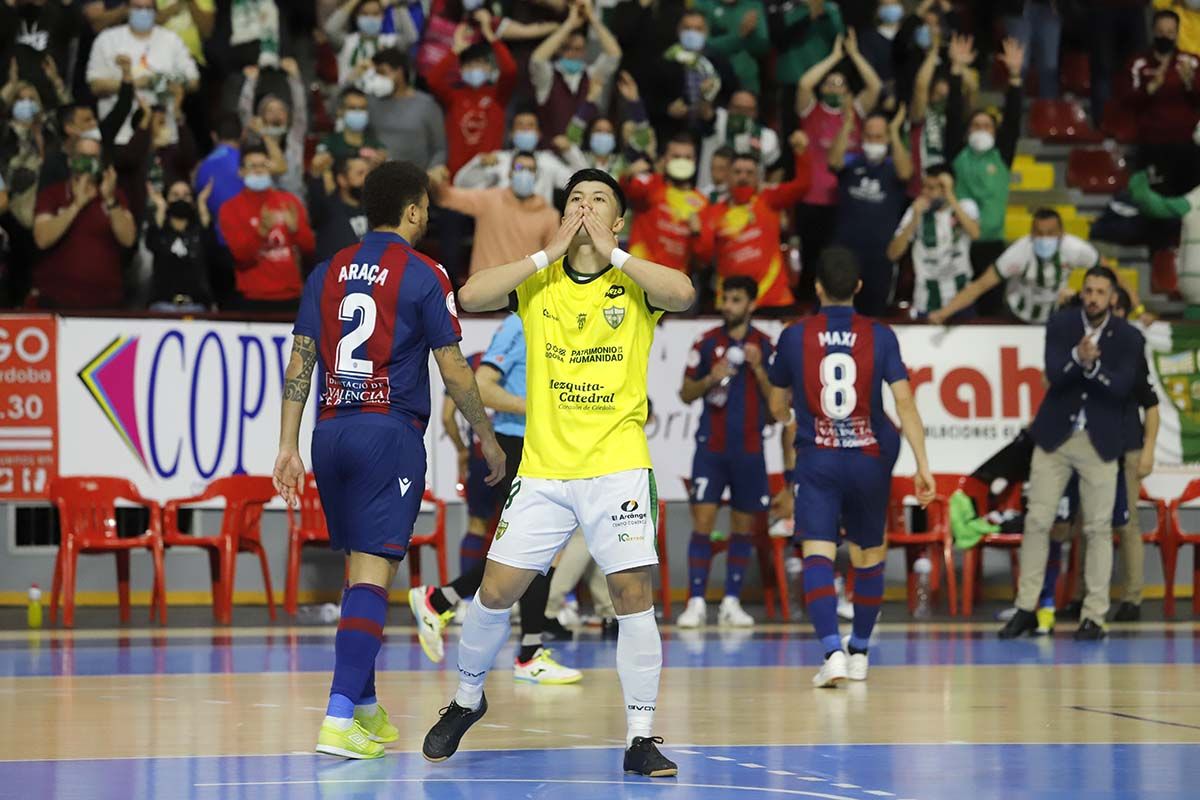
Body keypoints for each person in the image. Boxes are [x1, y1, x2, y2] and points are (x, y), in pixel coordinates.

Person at [420, 168, 695, 776]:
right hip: (545, 469)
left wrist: (615, 252)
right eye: (575, 200)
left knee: (631, 595)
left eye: (599, 201)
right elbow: (469, 295)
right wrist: (548, 249)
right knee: (495, 591)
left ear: (618, 220)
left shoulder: (634, 282)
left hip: (617, 466)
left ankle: (641, 737)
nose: (586, 208)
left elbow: (683, 293)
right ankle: (467, 700)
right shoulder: (540, 280)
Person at [272, 159, 504, 760]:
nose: (429, 215)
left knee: (359, 573)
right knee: (375, 577)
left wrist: (286, 445)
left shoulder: (327, 270)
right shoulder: (425, 272)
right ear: (410, 210)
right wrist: (485, 434)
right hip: (388, 435)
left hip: (330, 435)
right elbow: (453, 366)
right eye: (425, 206)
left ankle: (367, 707)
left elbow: (301, 361)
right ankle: (338, 717)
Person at [768, 246, 935, 687]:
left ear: (817, 286)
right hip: (869, 457)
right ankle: (860, 650)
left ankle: (832, 652)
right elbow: (905, 403)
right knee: (869, 554)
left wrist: (788, 408)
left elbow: (777, 406)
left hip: (819, 458)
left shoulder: (793, 336)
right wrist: (923, 465)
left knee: (818, 552)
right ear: (859, 287)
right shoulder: (880, 335)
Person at [411, 313, 583, 684]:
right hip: (516, 444)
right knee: (536, 550)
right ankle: (527, 654)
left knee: (537, 551)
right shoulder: (520, 324)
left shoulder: (567, 322)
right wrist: (540, 409)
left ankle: (442, 600)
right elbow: (482, 387)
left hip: (547, 445)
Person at [997, 267, 1142, 641]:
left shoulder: (1128, 336)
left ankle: (1094, 615)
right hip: (1055, 437)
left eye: (1100, 292)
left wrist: (1092, 367)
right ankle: (1026, 608)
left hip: (1101, 441)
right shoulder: (1061, 324)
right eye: (1088, 290)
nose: (1093, 297)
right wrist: (1078, 358)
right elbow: (1054, 374)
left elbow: (1122, 386)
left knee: (1097, 528)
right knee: (1037, 521)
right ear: (1082, 293)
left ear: (1113, 297)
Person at [676, 275, 775, 628]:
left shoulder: (764, 345)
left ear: (750, 304)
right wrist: (710, 379)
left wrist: (759, 367)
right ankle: (696, 602)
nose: (727, 306)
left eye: (735, 300)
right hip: (711, 449)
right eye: (725, 299)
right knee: (702, 524)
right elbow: (685, 394)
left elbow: (779, 406)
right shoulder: (705, 343)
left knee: (742, 527)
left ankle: (731, 602)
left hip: (749, 450)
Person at [794, 31, 883, 301]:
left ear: (847, 91)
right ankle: (809, 310)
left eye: (839, 84)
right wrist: (833, 58)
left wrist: (854, 55)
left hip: (845, 201)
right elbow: (803, 83)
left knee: (839, 261)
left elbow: (875, 86)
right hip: (811, 199)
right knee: (811, 261)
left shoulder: (855, 113)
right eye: (829, 84)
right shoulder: (811, 110)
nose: (834, 88)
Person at [945, 35, 1025, 314]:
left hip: (993, 246)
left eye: (988, 126)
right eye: (976, 125)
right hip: (959, 245)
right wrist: (955, 71)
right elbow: (953, 115)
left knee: (992, 309)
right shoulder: (958, 154)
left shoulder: (1001, 156)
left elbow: (1013, 119)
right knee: (958, 307)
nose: (981, 130)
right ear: (968, 132)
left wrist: (1014, 76)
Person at [928, 208, 1107, 325]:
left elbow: (1108, 274)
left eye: (1050, 233)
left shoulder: (1075, 249)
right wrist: (944, 313)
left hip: (1056, 318)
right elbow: (980, 285)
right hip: (1018, 317)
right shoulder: (1019, 253)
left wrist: (1135, 306)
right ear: (1031, 233)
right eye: (1039, 233)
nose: (1044, 238)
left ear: (1061, 233)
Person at [695, 134, 813, 308]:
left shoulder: (769, 200)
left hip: (773, 299)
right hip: (731, 304)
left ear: (758, 177)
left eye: (749, 173)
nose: (743, 177)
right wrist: (696, 232)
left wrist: (801, 153)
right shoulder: (712, 212)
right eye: (737, 172)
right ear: (727, 176)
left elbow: (803, 186)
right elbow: (703, 257)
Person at [31, 135, 137, 310]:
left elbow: (128, 239)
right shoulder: (52, 194)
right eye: (82, 156)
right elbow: (42, 239)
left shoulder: (116, 196)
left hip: (106, 303)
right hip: (57, 303)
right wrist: (76, 205)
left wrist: (110, 200)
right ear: (71, 160)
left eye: (93, 157)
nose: (88, 162)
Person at [829, 105, 912, 316]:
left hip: (880, 256)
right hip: (846, 253)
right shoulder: (851, 162)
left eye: (879, 136)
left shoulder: (894, 167)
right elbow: (833, 161)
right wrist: (847, 126)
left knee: (874, 314)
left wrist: (894, 133)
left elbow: (907, 172)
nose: (873, 141)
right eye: (869, 136)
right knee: (837, 309)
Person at [85, 0, 199, 146]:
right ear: (127, 8)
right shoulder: (107, 40)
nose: (143, 12)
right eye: (138, 7)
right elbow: (95, 85)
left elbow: (193, 81)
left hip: (163, 137)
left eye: (148, 8)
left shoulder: (171, 40)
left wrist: (167, 83)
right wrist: (136, 83)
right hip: (121, 136)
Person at [428, 152, 560, 276]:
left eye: (530, 170)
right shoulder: (489, 199)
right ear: (509, 173)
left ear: (536, 176)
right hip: (484, 290)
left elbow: (554, 259)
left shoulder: (549, 215)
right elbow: (446, 197)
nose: (525, 173)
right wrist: (436, 180)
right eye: (519, 167)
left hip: (524, 291)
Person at [218, 146, 315, 312]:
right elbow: (241, 257)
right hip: (254, 298)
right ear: (241, 172)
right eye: (252, 166)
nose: (258, 170)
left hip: (291, 296)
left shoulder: (289, 201)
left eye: (263, 165)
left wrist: (295, 230)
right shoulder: (230, 209)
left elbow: (309, 249)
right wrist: (261, 232)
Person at [886, 165, 980, 318]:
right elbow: (892, 254)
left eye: (931, 188)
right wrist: (914, 220)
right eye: (924, 187)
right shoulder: (914, 211)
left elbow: (975, 233)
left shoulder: (965, 207)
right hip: (926, 303)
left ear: (946, 189)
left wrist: (950, 197)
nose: (925, 192)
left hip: (961, 301)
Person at [427, 20, 517, 177]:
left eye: (480, 64)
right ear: (461, 70)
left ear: (490, 68)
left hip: (490, 172)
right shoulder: (454, 96)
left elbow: (510, 70)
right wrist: (455, 50)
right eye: (469, 65)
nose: (475, 69)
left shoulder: (497, 95)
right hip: (457, 173)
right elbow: (433, 80)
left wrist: (491, 38)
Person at [529, 0, 622, 143]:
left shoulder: (591, 75)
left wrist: (592, 18)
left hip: (584, 155)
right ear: (559, 50)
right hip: (551, 156)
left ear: (584, 52)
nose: (572, 53)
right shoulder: (548, 77)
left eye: (578, 49)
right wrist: (569, 24)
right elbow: (537, 59)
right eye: (567, 48)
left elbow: (614, 54)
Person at [1129, 9, 1200, 196]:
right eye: (1161, 31)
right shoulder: (1139, 63)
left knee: (1187, 205)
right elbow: (1127, 102)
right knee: (1155, 203)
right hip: (1152, 145)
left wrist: (1189, 83)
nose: (1165, 36)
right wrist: (1150, 88)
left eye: (1170, 32)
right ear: (1153, 31)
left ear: (1177, 34)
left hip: (1186, 146)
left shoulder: (1191, 62)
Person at [622, 134, 707, 274]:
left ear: (695, 161)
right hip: (638, 274)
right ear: (665, 159)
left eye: (687, 158)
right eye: (676, 157)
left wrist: (697, 233)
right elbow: (626, 189)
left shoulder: (702, 203)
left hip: (672, 284)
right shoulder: (651, 185)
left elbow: (703, 257)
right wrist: (629, 174)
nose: (682, 162)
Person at [453, 111, 574, 205]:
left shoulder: (548, 161)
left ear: (538, 134)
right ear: (511, 134)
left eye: (530, 126)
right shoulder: (498, 159)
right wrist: (479, 163)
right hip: (502, 228)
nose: (526, 129)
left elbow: (579, 182)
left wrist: (570, 152)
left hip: (538, 227)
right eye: (520, 126)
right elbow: (460, 184)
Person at [365, 48, 446, 171]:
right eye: (376, 74)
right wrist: (353, 76)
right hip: (378, 180)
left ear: (399, 72)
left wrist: (430, 178)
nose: (379, 79)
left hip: (417, 182)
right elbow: (336, 111)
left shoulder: (426, 105)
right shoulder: (371, 101)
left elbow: (440, 149)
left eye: (382, 72)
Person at [144, 178, 216, 313]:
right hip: (161, 305)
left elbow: (210, 244)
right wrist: (160, 208)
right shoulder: (160, 232)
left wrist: (202, 204)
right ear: (167, 200)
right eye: (175, 195)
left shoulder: (199, 232)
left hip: (197, 306)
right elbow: (152, 243)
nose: (181, 199)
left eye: (186, 195)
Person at [697, 90, 784, 191]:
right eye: (737, 108)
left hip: (748, 199)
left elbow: (777, 169)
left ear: (755, 112)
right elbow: (705, 112)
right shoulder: (718, 121)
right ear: (729, 107)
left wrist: (769, 193)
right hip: (709, 195)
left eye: (747, 110)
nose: (742, 114)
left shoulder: (767, 136)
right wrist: (705, 94)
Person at [694, 0, 769, 95]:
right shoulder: (703, 4)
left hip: (746, 81)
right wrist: (739, 36)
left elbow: (762, 49)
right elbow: (702, 46)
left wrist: (752, 34)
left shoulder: (753, 4)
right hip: (711, 80)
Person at [307, 155, 370, 265]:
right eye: (360, 173)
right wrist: (316, 175)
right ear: (342, 179)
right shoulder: (327, 210)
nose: (367, 179)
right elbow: (315, 200)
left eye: (368, 173)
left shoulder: (375, 209)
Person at [321, 87, 387, 163]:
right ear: (340, 111)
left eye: (362, 108)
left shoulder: (377, 146)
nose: (358, 112)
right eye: (352, 108)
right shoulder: (329, 143)